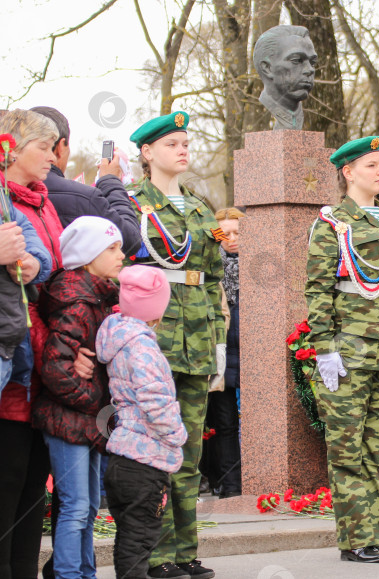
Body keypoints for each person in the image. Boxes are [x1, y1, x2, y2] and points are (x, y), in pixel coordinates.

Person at [305, 136, 379, 564]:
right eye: (372, 165)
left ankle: (374, 536)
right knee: (348, 447)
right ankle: (355, 540)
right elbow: (317, 290)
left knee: (377, 446)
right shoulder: (332, 223)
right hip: (350, 349)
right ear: (348, 172)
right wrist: (325, 348)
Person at [127, 111, 225, 579]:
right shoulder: (131, 205)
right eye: (172, 144)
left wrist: (219, 346)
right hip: (153, 344)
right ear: (147, 153)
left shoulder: (201, 210)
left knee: (189, 454)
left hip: (197, 343)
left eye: (186, 143)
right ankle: (158, 553)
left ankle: (185, 549)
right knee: (155, 451)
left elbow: (212, 282)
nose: (183, 150)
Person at [33, 216, 124, 578]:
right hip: (67, 418)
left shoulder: (96, 296)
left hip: (84, 419)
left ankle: (85, 572)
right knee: (75, 505)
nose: (121, 256)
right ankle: (71, 574)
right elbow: (55, 368)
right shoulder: (77, 301)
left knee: (86, 508)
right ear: (88, 256)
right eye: (112, 248)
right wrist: (95, 404)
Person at [97, 265, 188, 578]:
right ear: (156, 309)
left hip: (121, 455)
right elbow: (155, 399)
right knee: (141, 537)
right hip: (146, 459)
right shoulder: (143, 346)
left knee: (128, 536)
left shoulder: (117, 338)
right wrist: (177, 434)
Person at [0, 201, 52, 579]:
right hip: (13, 373)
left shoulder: (9, 203)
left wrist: (32, 262)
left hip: (28, 373)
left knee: (30, 487)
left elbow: (41, 254)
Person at [29, 106, 140, 254]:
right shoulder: (85, 198)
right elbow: (129, 239)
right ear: (60, 147)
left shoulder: (7, 190)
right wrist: (110, 181)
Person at [210, 207, 244, 498]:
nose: (232, 239)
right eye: (225, 233)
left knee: (255, 420)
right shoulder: (211, 268)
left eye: (238, 233)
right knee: (224, 424)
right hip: (222, 356)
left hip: (251, 356)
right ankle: (231, 486)